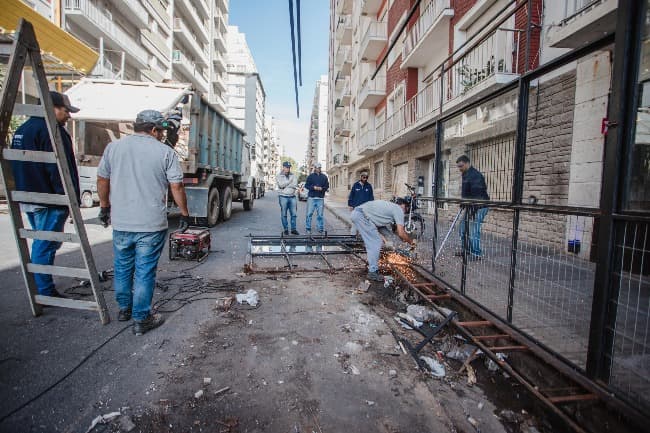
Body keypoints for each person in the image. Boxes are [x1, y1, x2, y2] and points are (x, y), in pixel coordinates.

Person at [97, 110, 190, 336]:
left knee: (122, 267)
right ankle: (141, 318)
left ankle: (124, 309)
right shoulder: (165, 152)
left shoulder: (114, 148)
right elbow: (176, 186)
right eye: (160, 131)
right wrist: (185, 214)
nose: (161, 135)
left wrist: (104, 207)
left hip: (121, 222)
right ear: (154, 130)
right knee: (145, 271)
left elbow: (102, 179)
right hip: (150, 224)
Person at [10, 91, 81, 298]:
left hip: (30, 195)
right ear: (53, 108)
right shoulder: (52, 131)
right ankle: (45, 291)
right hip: (51, 198)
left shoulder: (23, 130)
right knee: (45, 244)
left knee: (42, 242)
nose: (69, 116)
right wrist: (68, 199)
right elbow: (61, 170)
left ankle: (43, 286)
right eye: (66, 111)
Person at [351, 199, 416, 282]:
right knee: (375, 243)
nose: (404, 214)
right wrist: (412, 242)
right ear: (404, 206)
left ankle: (375, 261)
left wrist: (389, 241)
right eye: (406, 211)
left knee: (388, 236)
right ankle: (372, 272)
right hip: (362, 216)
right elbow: (401, 233)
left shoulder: (390, 207)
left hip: (360, 214)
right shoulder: (398, 209)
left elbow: (379, 227)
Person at [455, 155, 489, 259]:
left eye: (461, 166)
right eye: (458, 167)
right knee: (463, 228)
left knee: (474, 229)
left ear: (467, 163)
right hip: (470, 206)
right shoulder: (465, 174)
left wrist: (471, 207)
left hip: (479, 206)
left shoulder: (475, 175)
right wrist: (463, 202)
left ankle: (476, 253)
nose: (459, 168)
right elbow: (466, 192)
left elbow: (477, 194)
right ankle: (467, 250)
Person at [304, 162, 329, 234]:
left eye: (319, 168)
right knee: (309, 214)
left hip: (320, 198)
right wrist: (313, 187)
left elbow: (327, 186)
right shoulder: (310, 176)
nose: (318, 169)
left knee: (320, 215)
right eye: (317, 168)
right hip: (311, 198)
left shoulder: (324, 177)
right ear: (314, 168)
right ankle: (308, 228)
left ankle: (320, 228)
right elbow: (306, 186)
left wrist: (322, 188)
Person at [276, 161, 299, 235]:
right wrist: (289, 182)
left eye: (289, 167)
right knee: (284, 214)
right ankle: (286, 229)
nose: (288, 169)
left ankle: (293, 229)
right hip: (283, 197)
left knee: (294, 214)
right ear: (283, 167)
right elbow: (281, 185)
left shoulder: (293, 175)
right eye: (286, 167)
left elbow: (295, 185)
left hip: (292, 197)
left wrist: (286, 185)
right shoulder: (279, 176)